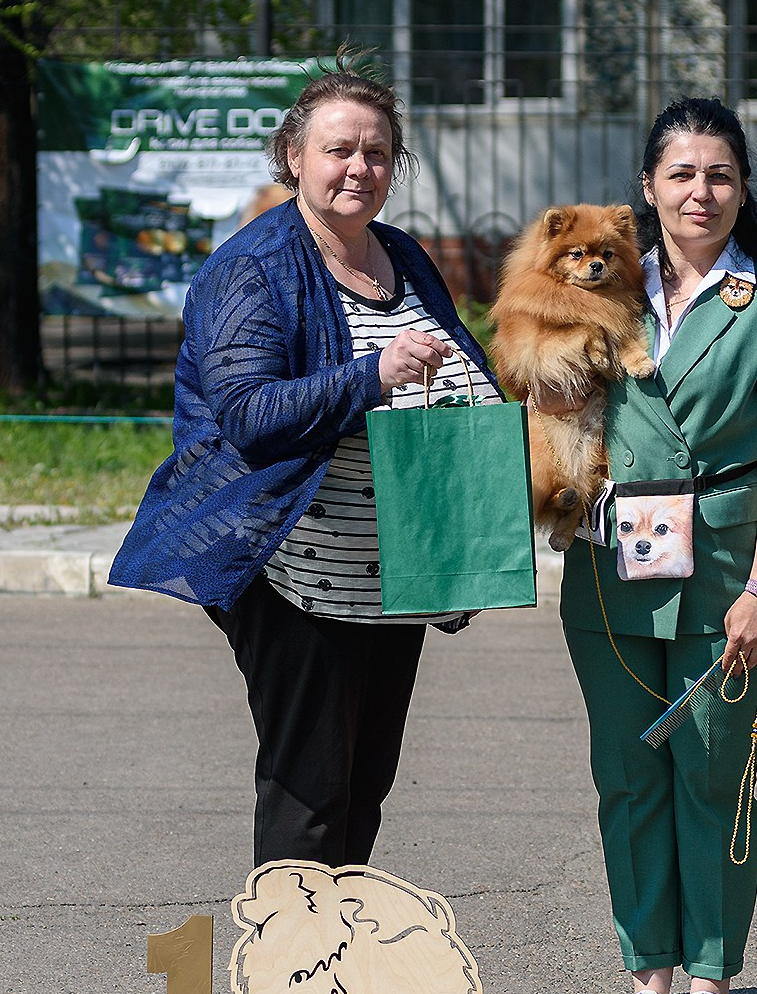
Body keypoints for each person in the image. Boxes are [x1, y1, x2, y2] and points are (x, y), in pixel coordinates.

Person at [109, 60, 499, 869]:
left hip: (393, 570)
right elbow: (248, 417)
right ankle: (286, 990)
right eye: (338, 150)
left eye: (378, 153)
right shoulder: (252, 268)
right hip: (288, 568)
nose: (359, 168)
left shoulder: (402, 255)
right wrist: (373, 375)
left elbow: (462, 365)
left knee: (364, 788)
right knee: (309, 793)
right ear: (293, 156)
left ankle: (339, 980)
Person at [536, 96, 757, 994]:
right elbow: (548, 401)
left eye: (718, 174)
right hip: (611, 567)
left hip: (723, 572)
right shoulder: (597, 287)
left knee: (712, 780)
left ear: (739, 189)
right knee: (627, 781)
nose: (698, 191)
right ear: (648, 188)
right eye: (680, 174)